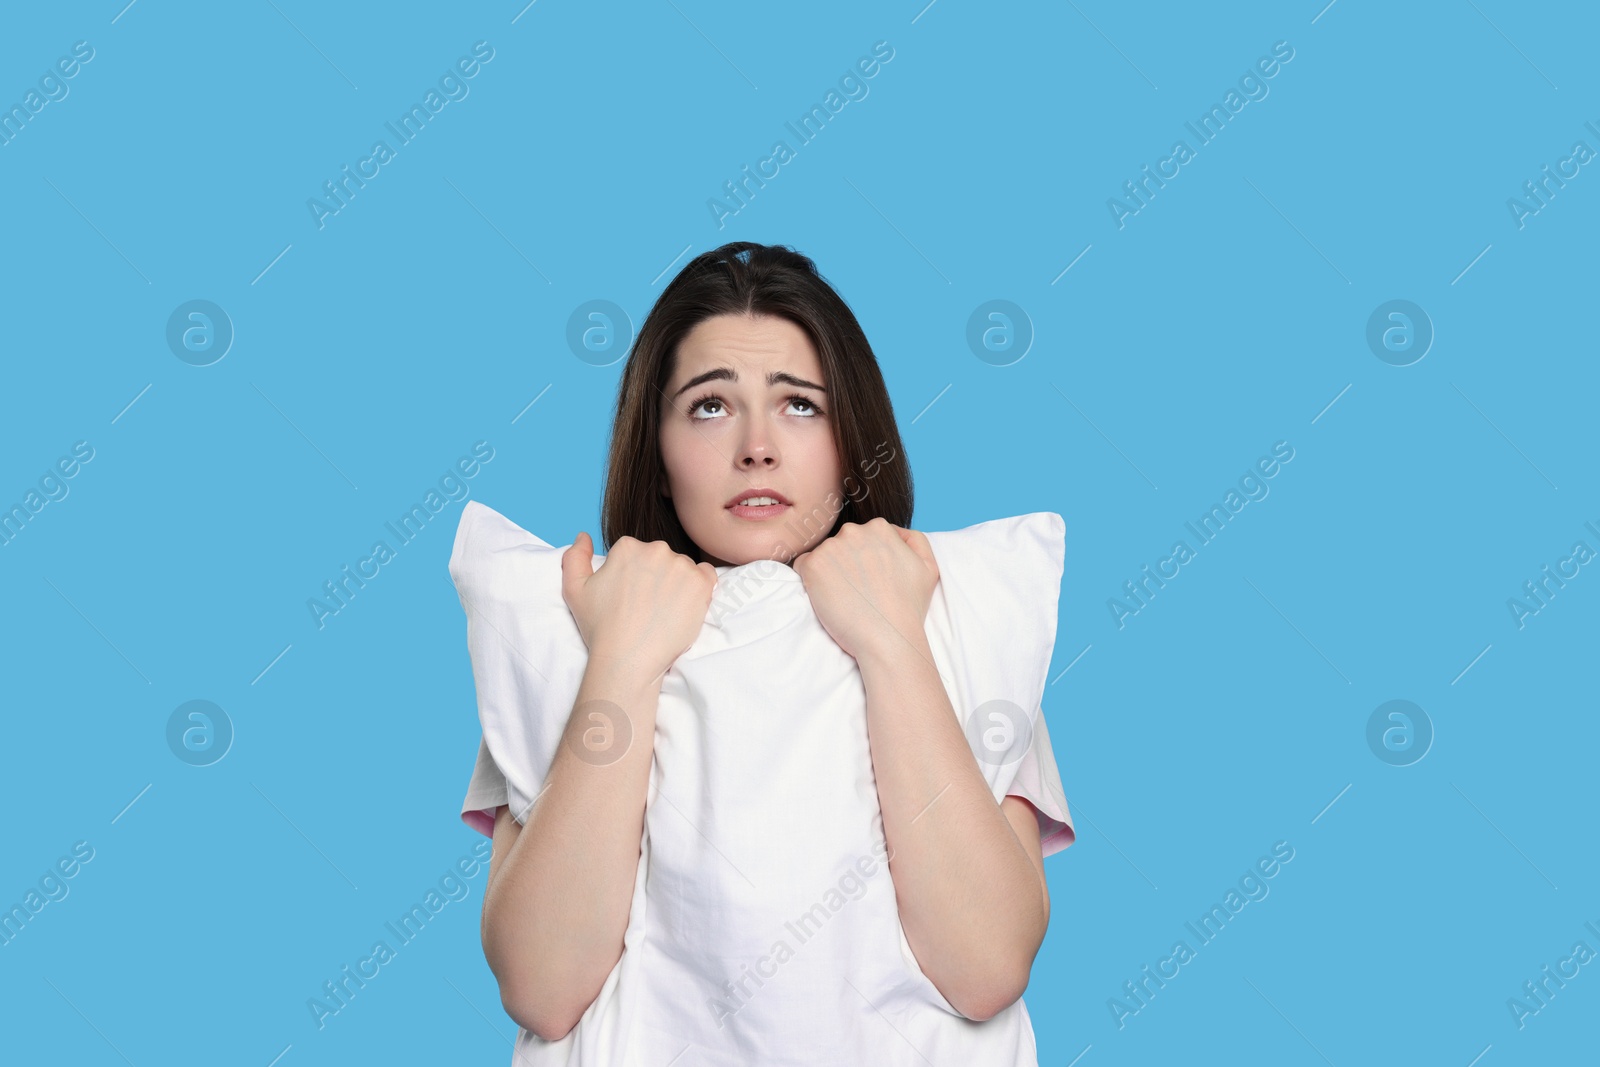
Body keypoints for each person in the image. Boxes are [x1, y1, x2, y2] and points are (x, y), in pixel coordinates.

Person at [459, 241, 1074, 1062]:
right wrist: (623, 660)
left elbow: (987, 965)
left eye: (801, 406)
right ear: (659, 447)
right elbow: (542, 985)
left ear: (852, 442)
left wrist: (891, 641)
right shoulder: (570, 631)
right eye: (710, 406)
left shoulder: (961, 619)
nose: (757, 446)